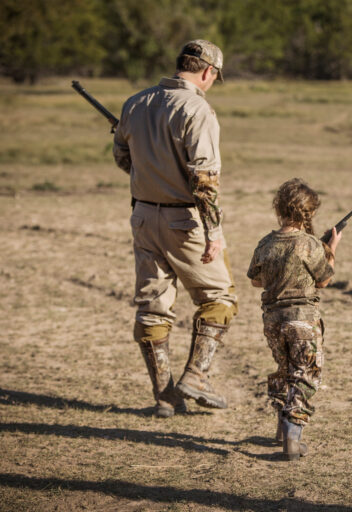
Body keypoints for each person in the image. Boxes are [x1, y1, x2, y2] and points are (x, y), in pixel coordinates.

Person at [113, 40, 238, 417]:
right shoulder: (197, 108)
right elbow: (204, 179)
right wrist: (214, 231)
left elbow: (123, 159)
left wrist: (151, 166)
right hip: (186, 221)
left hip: (143, 218)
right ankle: (196, 376)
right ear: (208, 72)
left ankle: (165, 397)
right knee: (220, 297)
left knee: (152, 308)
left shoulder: (135, 103)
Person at [246, 178, 342, 460]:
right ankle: (291, 434)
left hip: (273, 321)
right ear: (308, 214)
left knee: (285, 368)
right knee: (305, 374)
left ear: (279, 209)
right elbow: (324, 280)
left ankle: (281, 425)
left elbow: (256, 280)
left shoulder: (266, 243)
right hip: (303, 322)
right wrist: (331, 250)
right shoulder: (310, 244)